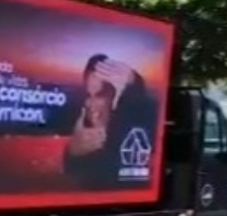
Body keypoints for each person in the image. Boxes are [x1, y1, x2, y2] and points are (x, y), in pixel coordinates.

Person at [64, 54, 157, 190]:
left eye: (101, 95)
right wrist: (74, 152)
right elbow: (76, 173)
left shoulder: (140, 118)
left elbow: (146, 111)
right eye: (89, 95)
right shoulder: (85, 125)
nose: (91, 104)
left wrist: (134, 83)